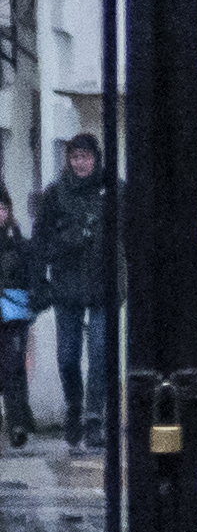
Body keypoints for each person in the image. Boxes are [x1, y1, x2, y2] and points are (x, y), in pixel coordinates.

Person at [32, 131, 111, 449]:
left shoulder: (110, 191)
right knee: (67, 358)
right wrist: (40, 279)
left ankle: (94, 418)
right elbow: (40, 242)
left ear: (96, 159)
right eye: (75, 157)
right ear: (69, 160)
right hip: (67, 287)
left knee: (100, 354)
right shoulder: (55, 195)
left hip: (103, 286)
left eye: (86, 157)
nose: (81, 163)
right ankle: (75, 409)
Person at [0, 194, 34, 448]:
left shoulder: (19, 243)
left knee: (12, 367)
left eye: (2, 208)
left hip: (13, 315)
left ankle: (17, 425)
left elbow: (29, 276)